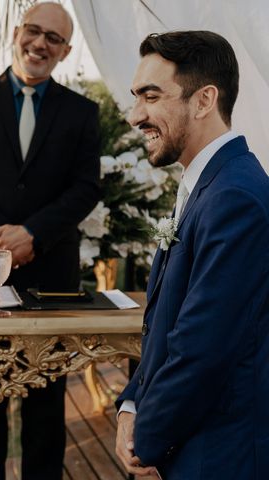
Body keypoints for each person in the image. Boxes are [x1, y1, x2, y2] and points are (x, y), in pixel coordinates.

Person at [0, 3, 100, 478]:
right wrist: (2, 238)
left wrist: (33, 234)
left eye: (53, 38)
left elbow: (86, 186)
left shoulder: (82, 112)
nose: (40, 44)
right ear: (17, 33)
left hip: (50, 274)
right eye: (34, 31)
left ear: (65, 51)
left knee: (47, 406)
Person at [115, 30, 269, 479]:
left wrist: (146, 440)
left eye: (151, 96)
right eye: (135, 97)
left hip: (219, 454)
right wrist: (131, 403)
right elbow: (167, 321)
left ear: (204, 101)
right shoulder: (208, 184)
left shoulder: (236, 197)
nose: (134, 116)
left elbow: (202, 347)